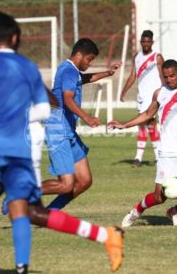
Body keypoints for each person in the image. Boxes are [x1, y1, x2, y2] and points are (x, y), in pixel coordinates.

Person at [0, 12, 123, 274]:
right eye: (90, 59)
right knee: (38, 202)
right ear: (16, 37)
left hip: (0, 144)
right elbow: (50, 104)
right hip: (39, 137)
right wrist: (85, 116)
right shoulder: (28, 67)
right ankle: (16, 265)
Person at [108, 59, 177, 227]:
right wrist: (124, 125)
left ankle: (175, 211)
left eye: (172, 76)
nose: (169, 80)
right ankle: (136, 211)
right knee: (159, 197)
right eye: (166, 77)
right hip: (168, 153)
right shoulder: (159, 93)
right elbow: (146, 115)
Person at [40, 38, 121, 210]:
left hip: (68, 131)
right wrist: (87, 118)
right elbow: (68, 99)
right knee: (66, 184)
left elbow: (85, 78)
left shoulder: (71, 70)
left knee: (84, 181)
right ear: (78, 55)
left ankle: (49, 212)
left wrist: (108, 72)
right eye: (89, 59)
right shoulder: (69, 71)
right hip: (58, 130)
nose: (90, 63)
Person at [119, 30, 164, 167]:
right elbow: (133, 75)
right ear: (141, 42)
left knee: (148, 125)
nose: (145, 44)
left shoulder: (157, 57)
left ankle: (140, 158)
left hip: (154, 97)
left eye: (148, 41)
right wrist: (124, 91)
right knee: (146, 126)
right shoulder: (137, 57)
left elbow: (164, 76)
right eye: (143, 41)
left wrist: (165, 92)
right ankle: (157, 158)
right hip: (142, 97)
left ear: (152, 42)